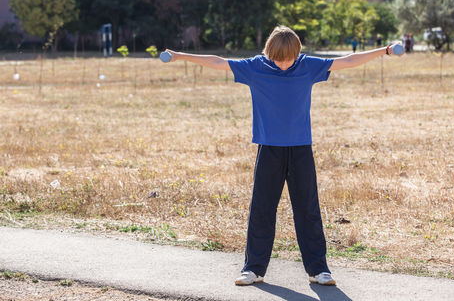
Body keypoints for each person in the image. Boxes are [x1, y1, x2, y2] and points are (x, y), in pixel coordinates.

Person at [162, 25, 402, 287]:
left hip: (301, 149)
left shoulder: (308, 65)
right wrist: (181, 56)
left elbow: (349, 60)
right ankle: (253, 269)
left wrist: (385, 51)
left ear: (297, 54)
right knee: (262, 210)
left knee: (308, 209)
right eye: (279, 59)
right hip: (269, 149)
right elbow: (218, 61)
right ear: (269, 53)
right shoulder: (255, 67)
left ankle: (318, 270)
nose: (285, 64)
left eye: (289, 59)